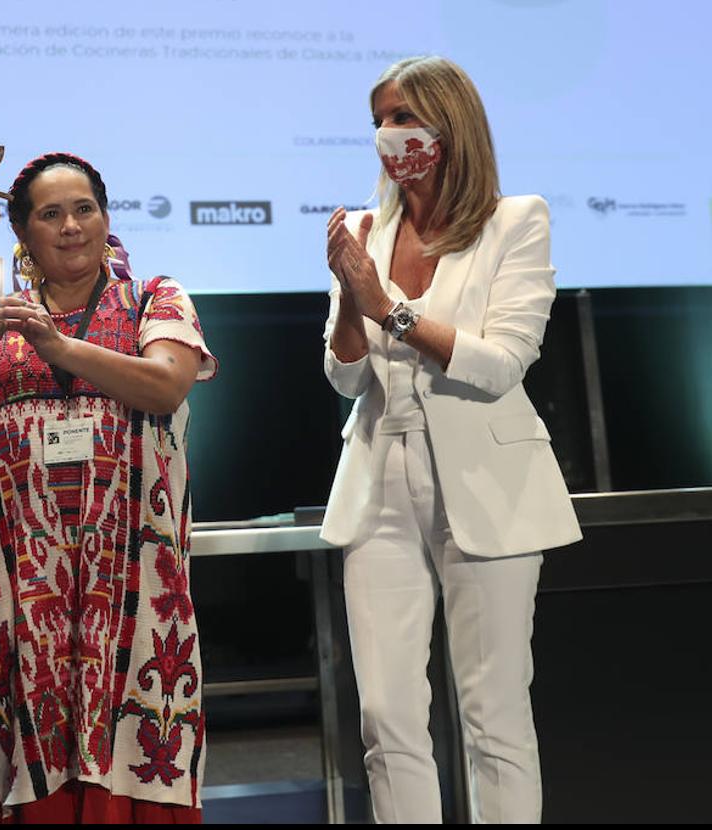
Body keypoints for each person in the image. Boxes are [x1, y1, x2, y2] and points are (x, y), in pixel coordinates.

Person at [0, 153, 218, 823]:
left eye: (85, 209)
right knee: (35, 758)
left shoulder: (154, 298)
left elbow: (166, 385)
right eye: (51, 215)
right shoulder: (1, 323)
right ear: (24, 234)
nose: (72, 226)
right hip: (21, 587)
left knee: (139, 752)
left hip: (133, 582)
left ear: (107, 220)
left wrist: (58, 348)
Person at [320, 56, 583, 823]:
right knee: (386, 718)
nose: (389, 134)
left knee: (492, 714)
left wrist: (390, 308)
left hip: (485, 481)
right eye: (381, 118)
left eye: (405, 116)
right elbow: (344, 379)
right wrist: (348, 301)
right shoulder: (368, 230)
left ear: (451, 122)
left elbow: (501, 364)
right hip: (379, 478)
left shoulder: (515, 220)